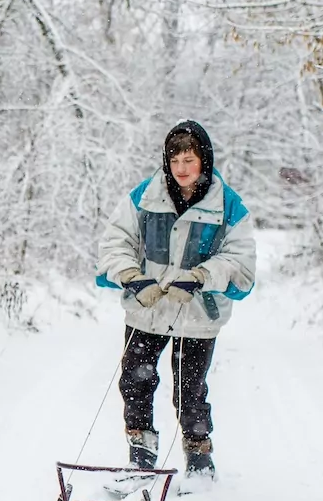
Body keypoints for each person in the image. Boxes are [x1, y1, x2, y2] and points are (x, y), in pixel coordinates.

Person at [95, 119, 257, 480]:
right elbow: (115, 242)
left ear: (204, 161)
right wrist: (132, 277)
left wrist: (200, 276)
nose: (182, 169)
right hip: (147, 309)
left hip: (198, 314)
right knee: (135, 383)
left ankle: (199, 463)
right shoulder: (144, 195)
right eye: (175, 160)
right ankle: (141, 456)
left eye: (189, 160)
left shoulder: (227, 205)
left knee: (191, 391)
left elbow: (240, 260)